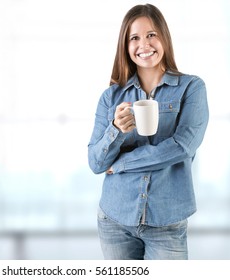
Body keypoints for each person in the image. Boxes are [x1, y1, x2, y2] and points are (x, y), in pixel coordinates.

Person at [87, 4, 209, 260]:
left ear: (164, 37)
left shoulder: (191, 88)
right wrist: (116, 130)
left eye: (151, 34)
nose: (144, 44)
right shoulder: (111, 97)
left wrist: (121, 165)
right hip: (115, 218)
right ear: (126, 45)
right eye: (135, 37)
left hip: (167, 221)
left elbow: (182, 147)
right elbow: (96, 163)